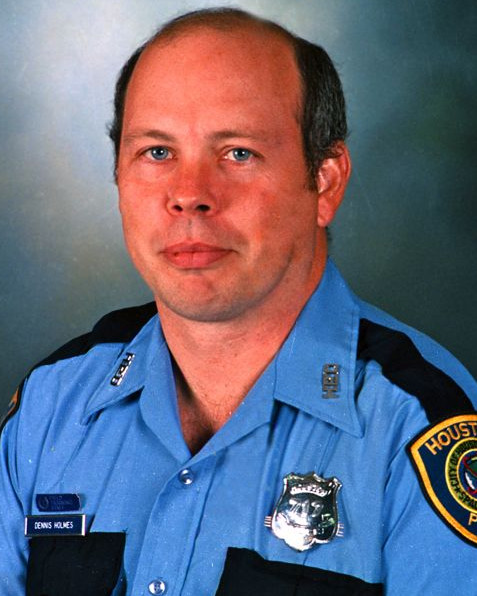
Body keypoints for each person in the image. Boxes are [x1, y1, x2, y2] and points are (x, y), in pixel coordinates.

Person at [1, 7, 477, 595]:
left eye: (238, 153)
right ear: (118, 176)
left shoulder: (416, 425)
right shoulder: (52, 405)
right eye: (157, 152)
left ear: (325, 181)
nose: (189, 195)